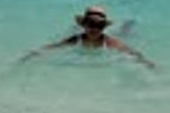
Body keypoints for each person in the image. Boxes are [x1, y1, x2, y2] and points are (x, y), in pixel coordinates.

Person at [20, 5, 155, 69]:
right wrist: (31, 55)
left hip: (115, 38)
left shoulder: (110, 42)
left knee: (123, 34)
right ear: (84, 25)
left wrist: (148, 64)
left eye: (99, 26)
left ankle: (129, 24)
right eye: (91, 24)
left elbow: (133, 53)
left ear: (103, 27)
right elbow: (53, 47)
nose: (95, 29)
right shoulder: (76, 40)